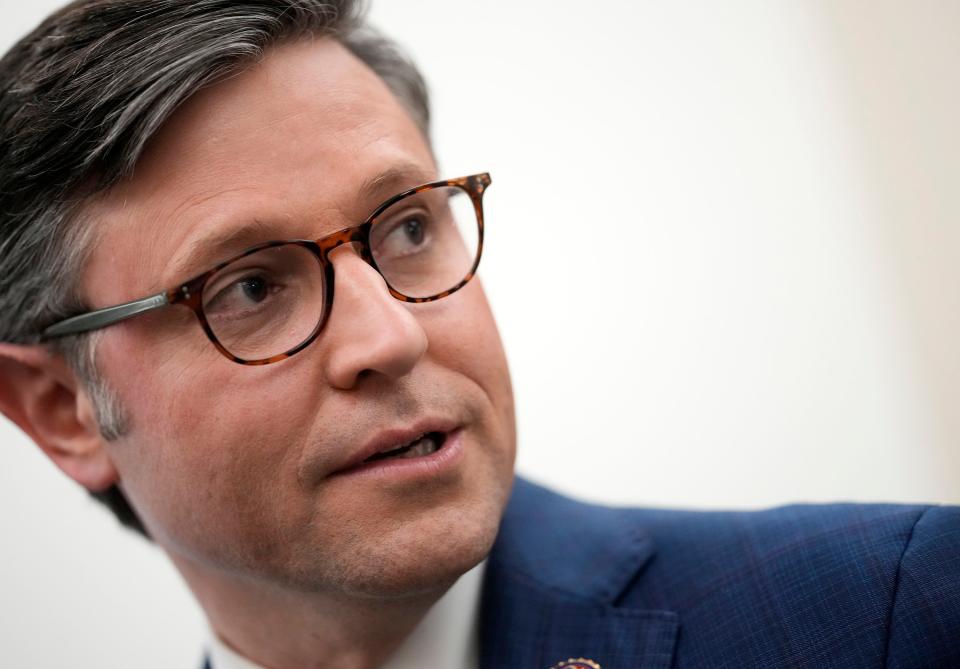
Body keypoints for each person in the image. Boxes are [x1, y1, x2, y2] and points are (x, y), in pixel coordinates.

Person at [0, 2, 956, 668]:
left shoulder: (895, 610)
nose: (390, 337)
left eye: (409, 229)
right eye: (250, 285)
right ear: (62, 411)